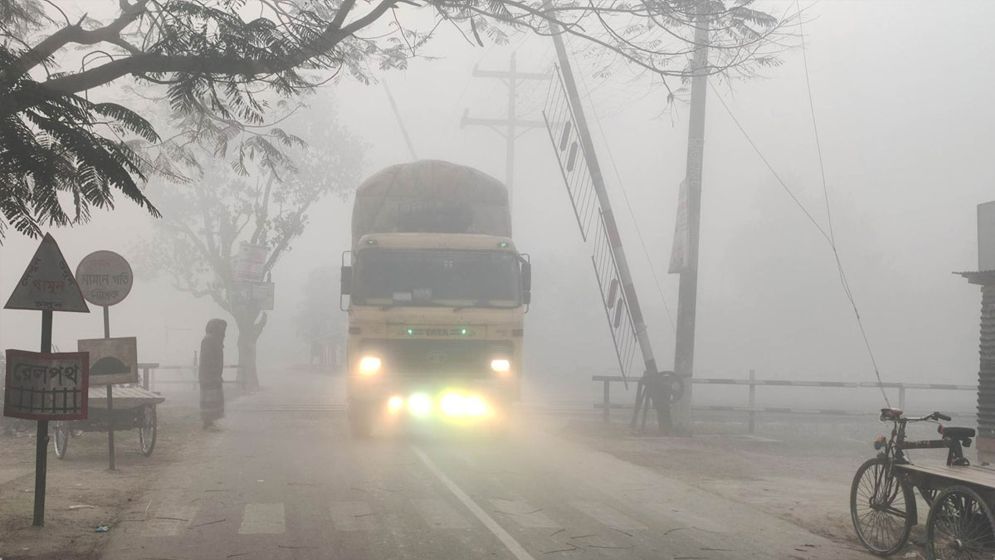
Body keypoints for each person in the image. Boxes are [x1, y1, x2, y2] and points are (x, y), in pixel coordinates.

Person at [199, 318, 227, 430]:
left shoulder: (214, 339)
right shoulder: (209, 340)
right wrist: (213, 373)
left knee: (212, 398)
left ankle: (210, 421)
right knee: (209, 398)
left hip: (212, 374)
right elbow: (208, 359)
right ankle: (208, 422)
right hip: (209, 375)